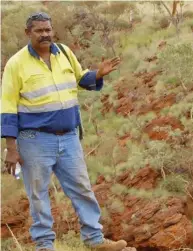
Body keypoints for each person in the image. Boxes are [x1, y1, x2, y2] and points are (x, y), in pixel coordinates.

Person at [1, 12, 127, 251]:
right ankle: (44, 246)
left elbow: (81, 78)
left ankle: (95, 239)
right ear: (28, 33)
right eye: (39, 30)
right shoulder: (16, 64)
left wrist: (97, 74)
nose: (45, 34)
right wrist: (10, 147)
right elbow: (7, 107)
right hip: (34, 140)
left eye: (48, 29)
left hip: (69, 137)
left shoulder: (65, 53)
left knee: (82, 188)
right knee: (38, 195)